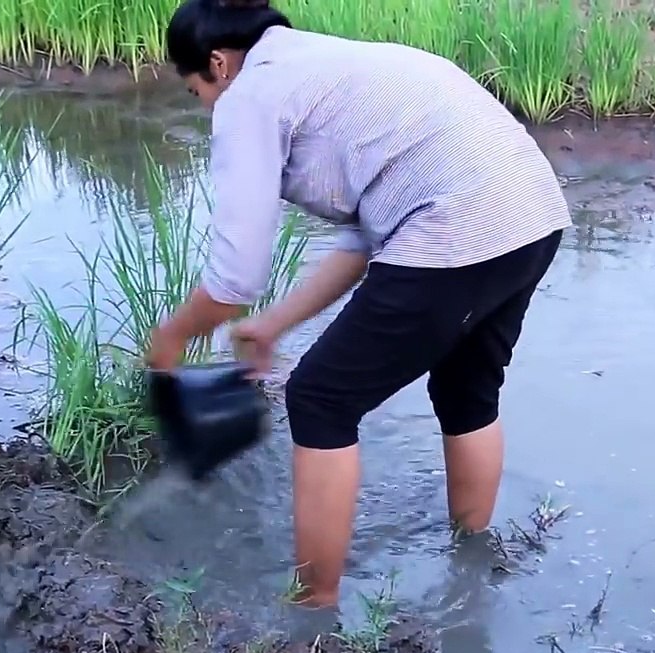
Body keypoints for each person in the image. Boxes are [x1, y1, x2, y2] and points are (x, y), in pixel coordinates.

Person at [145, 0, 572, 608]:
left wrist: (171, 338)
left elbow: (234, 279)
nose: (207, 106)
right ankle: (472, 556)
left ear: (218, 64)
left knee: (320, 398)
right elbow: (367, 237)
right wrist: (273, 326)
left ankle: (313, 607)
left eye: (197, 93)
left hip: (456, 221)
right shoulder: (326, 63)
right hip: (533, 213)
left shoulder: (249, 96)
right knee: (467, 389)